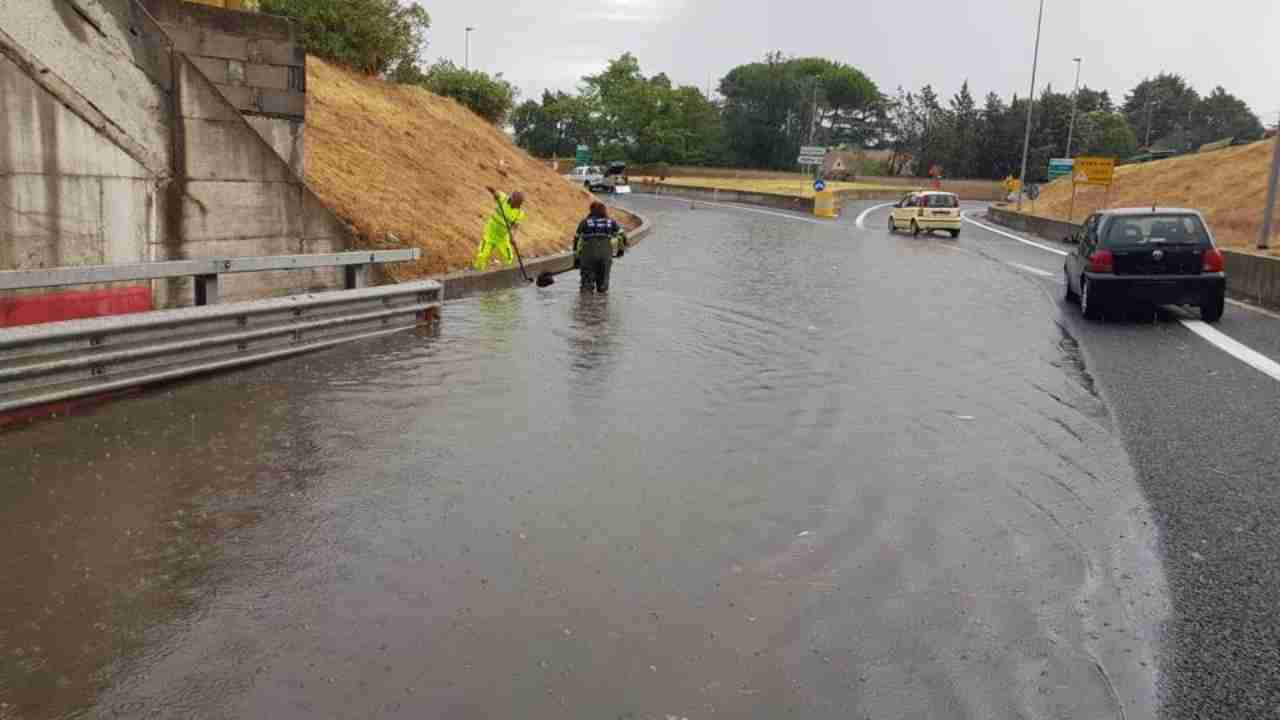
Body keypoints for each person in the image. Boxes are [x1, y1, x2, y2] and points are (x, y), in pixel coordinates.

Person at [574, 202, 627, 293]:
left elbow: (577, 241)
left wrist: (576, 258)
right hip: (605, 256)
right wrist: (620, 250)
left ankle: (586, 304)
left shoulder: (585, 222)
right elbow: (622, 236)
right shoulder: (611, 222)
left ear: (591, 211)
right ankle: (602, 304)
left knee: (587, 285)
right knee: (603, 286)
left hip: (588, 256)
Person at [473, 187, 526, 271]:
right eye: (516, 203)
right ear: (512, 198)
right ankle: (477, 273)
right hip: (489, 233)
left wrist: (513, 237)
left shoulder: (519, 213)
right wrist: (495, 194)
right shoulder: (503, 198)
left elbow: (515, 227)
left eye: (519, 204)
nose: (517, 206)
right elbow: (492, 190)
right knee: (482, 256)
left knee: (508, 258)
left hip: (502, 238)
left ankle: (506, 276)